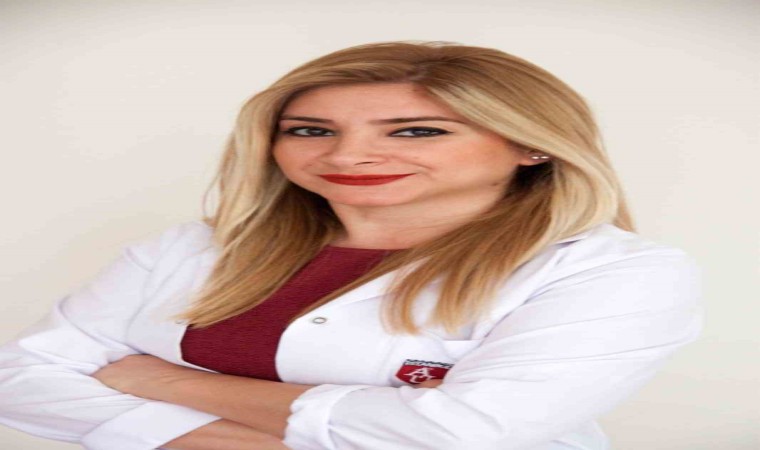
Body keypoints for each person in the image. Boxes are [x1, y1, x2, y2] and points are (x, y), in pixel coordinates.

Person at [0, 41, 703, 450]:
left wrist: (164, 383)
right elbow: (21, 379)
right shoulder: (196, 247)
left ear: (532, 144)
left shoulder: (615, 274)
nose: (347, 155)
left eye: (416, 131)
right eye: (310, 130)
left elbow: (465, 435)